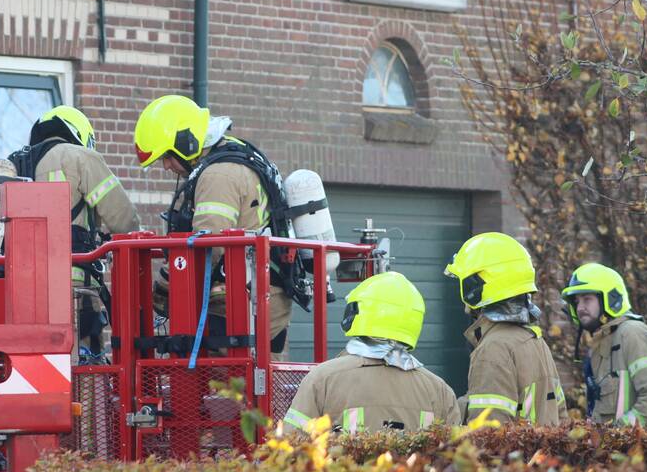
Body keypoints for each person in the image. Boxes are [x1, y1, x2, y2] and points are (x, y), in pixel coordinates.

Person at [133, 94, 297, 355]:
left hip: (239, 302)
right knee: (241, 385)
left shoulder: (217, 175)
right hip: (253, 296)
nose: (165, 166)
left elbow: (209, 244)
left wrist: (165, 287)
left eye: (166, 156)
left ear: (185, 143)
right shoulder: (232, 155)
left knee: (229, 387)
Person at [12, 105, 139, 359]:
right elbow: (123, 220)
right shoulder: (80, 157)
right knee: (82, 363)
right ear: (79, 133)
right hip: (74, 284)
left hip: (21, 287)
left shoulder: (13, 164)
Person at [283, 271, 461, 434]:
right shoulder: (440, 390)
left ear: (355, 313)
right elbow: (458, 457)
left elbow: (291, 448)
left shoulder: (323, 378)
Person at [444, 232, 568, 425]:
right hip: (543, 455)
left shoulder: (494, 348)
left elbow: (489, 435)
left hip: (516, 456)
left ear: (474, 288)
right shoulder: (535, 341)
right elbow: (561, 417)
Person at [562, 263, 647, 427]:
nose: (580, 307)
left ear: (611, 299)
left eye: (587, 299)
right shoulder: (602, 342)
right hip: (614, 451)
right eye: (577, 302)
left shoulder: (633, 333)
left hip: (640, 450)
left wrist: (618, 434)